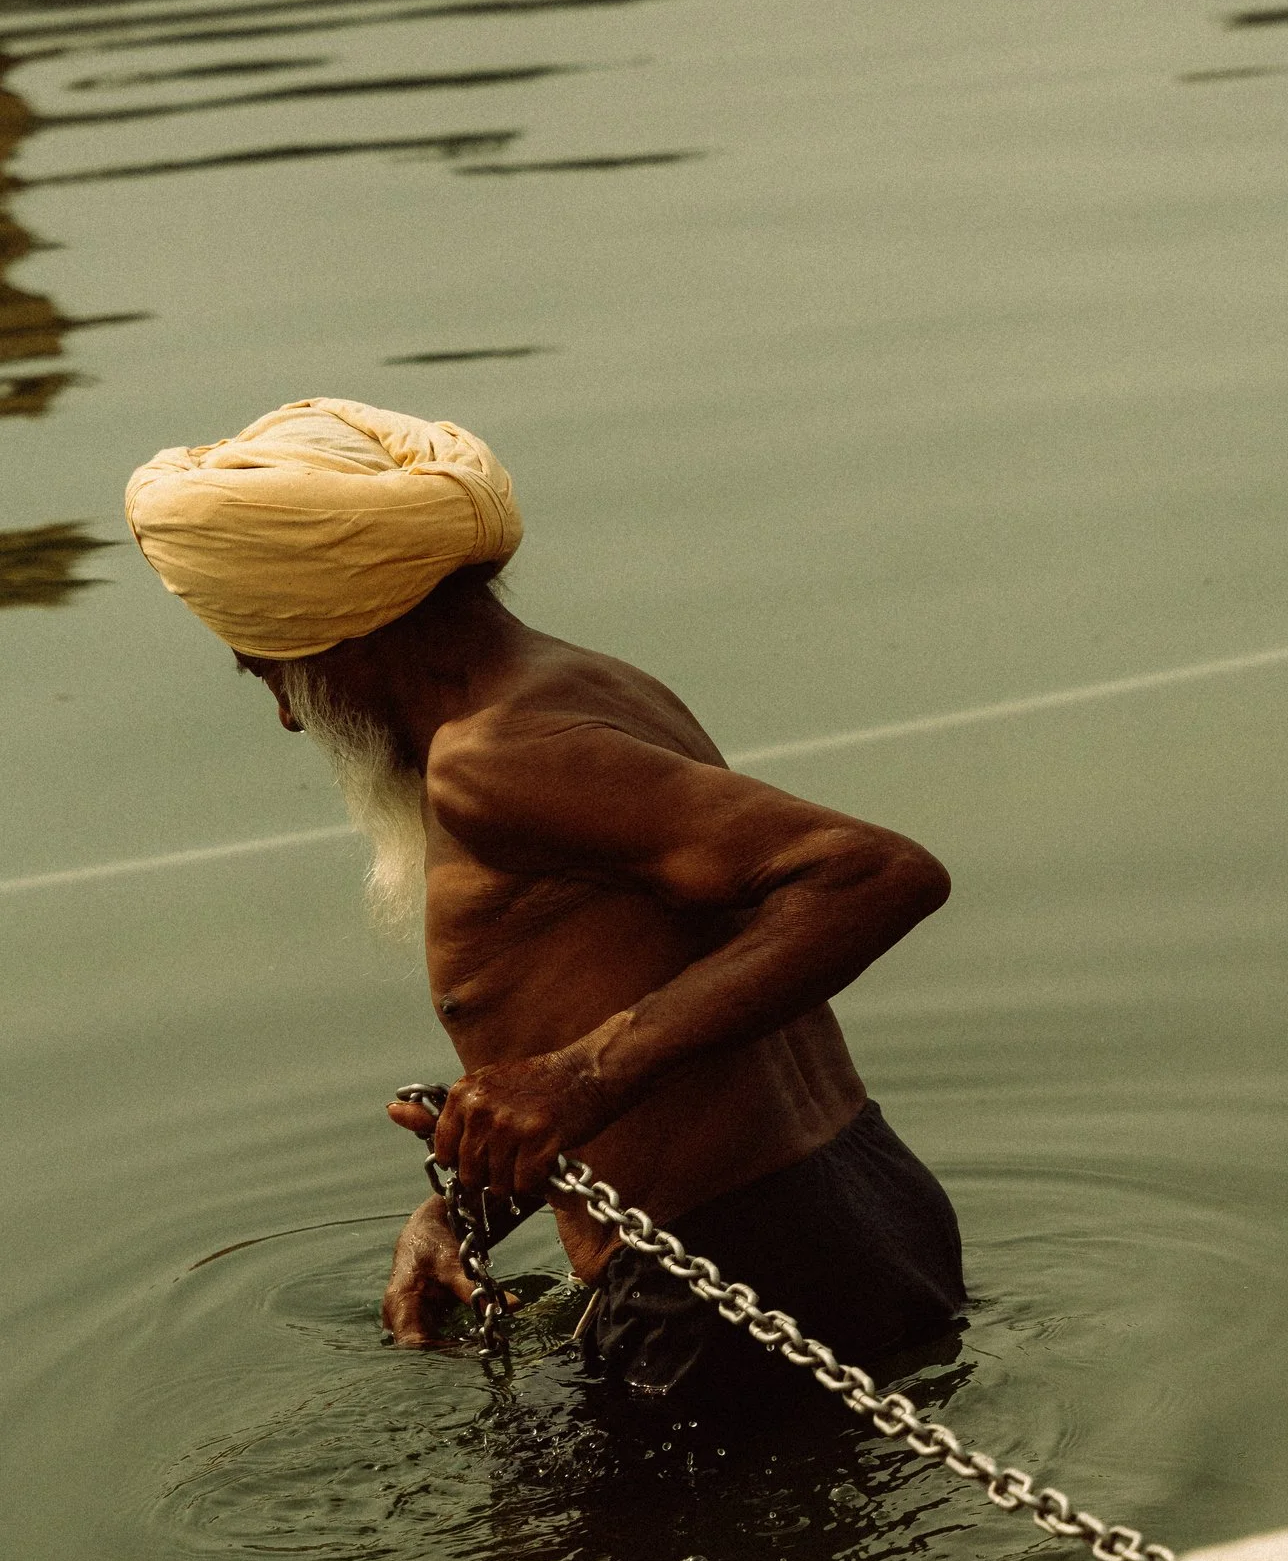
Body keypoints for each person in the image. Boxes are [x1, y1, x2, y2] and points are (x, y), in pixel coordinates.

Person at [126, 396, 966, 1424]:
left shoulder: (496, 757)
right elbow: (630, 992)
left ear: (336, 635)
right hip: (866, 1205)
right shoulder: (585, 686)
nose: (288, 712)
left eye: (268, 666)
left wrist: (577, 1076)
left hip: (732, 1267)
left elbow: (873, 873)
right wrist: (464, 1207)